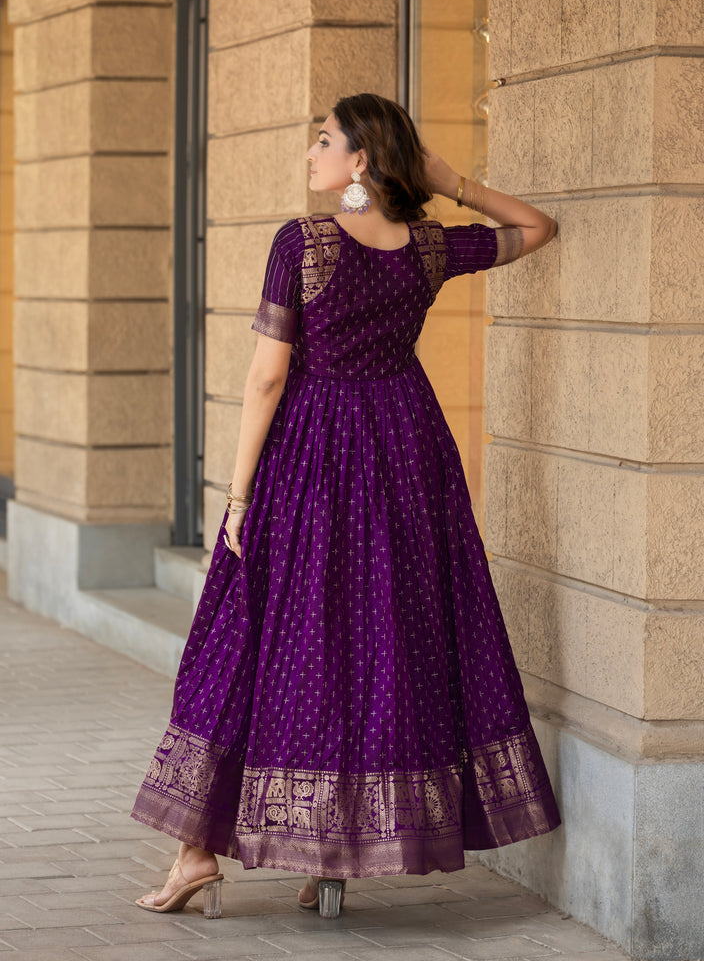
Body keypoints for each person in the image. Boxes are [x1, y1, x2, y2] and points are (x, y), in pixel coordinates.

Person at [131, 92, 561, 920]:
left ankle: (197, 854)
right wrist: (454, 182)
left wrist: (237, 492)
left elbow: (267, 376)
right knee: (374, 645)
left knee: (252, 633)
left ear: (360, 160)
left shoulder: (305, 241)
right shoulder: (429, 246)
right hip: (405, 455)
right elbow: (537, 228)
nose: (311, 153)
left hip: (309, 458)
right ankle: (326, 853)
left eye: (322, 140)